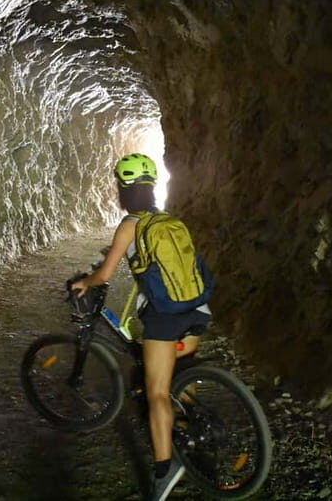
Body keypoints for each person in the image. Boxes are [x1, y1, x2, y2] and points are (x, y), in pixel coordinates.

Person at [71, 153, 212, 501]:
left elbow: (104, 275)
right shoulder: (168, 220)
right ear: (152, 187)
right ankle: (193, 435)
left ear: (122, 189)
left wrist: (84, 282)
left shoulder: (129, 225)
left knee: (158, 394)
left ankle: (165, 471)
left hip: (165, 316)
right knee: (182, 375)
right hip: (197, 307)